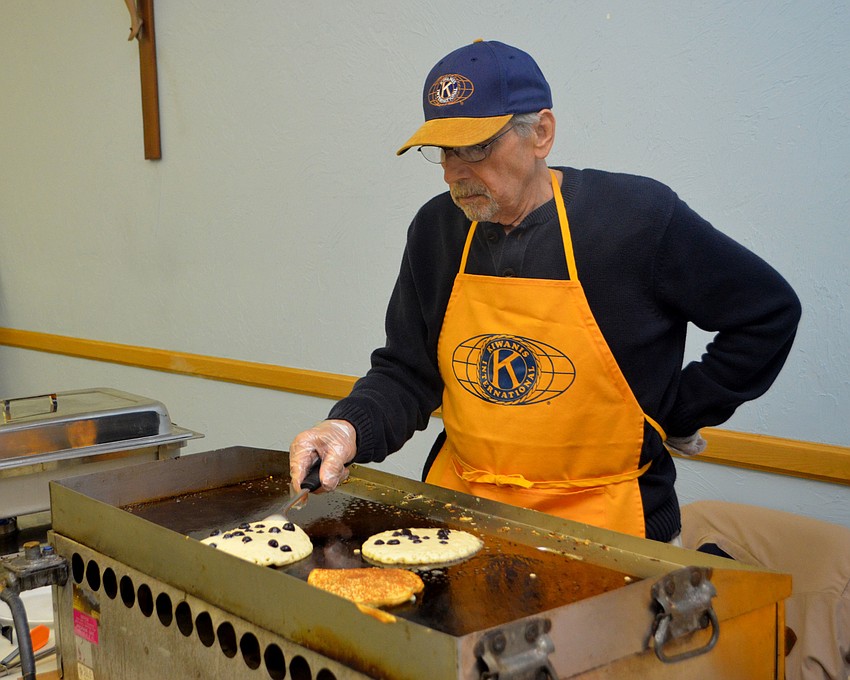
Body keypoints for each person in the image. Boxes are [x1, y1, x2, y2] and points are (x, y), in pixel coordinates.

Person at [289, 39, 801, 542]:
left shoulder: (635, 219)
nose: (452, 172)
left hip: (610, 527)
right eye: (443, 150)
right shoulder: (436, 230)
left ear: (541, 133)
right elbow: (407, 371)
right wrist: (346, 429)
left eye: (476, 147)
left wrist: (676, 413)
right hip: (462, 516)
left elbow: (766, 312)